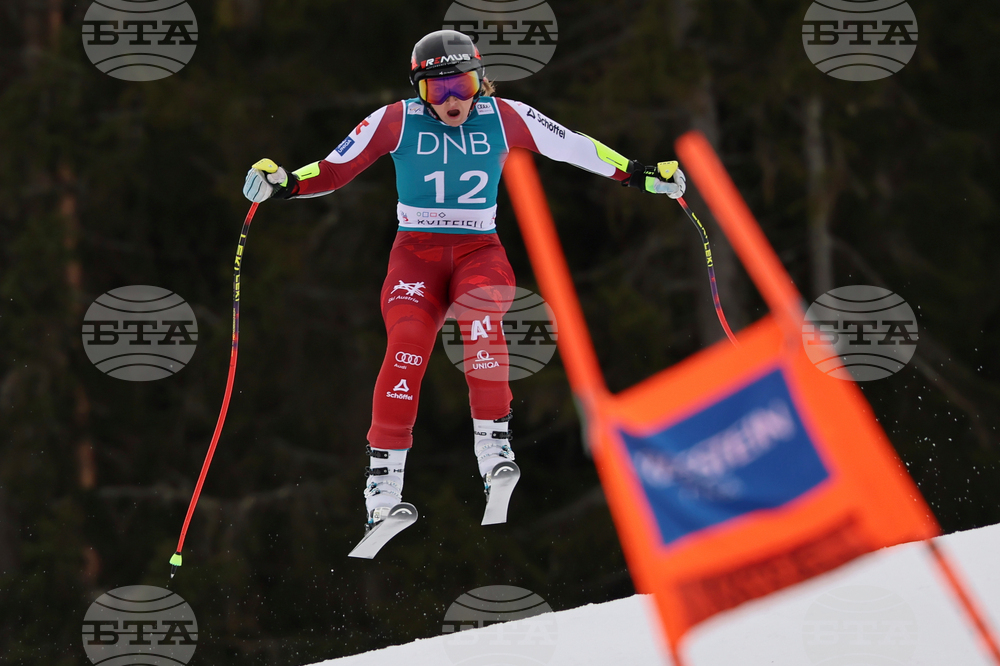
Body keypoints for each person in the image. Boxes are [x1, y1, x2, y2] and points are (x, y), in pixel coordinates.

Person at [243, 29, 686, 541]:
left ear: (480, 79)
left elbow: (576, 148)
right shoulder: (395, 121)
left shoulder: (504, 116)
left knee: (481, 315)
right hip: (415, 256)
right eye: (438, 90)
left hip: (480, 251)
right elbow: (335, 168)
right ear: (419, 91)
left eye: (465, 84)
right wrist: (284, 182)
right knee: (408, 343)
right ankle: (383, 490)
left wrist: (641, 174)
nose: (453, 100)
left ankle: (494, 446)